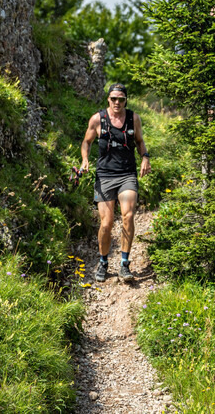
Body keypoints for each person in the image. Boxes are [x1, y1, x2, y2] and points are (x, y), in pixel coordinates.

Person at [80, 83, 151, 282]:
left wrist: (145, 157)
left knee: (128, 215)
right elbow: (86, 142)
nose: (117, 102)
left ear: (125, 100)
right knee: (107, 222)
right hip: (104, 176)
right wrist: (85, 159)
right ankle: (103, 262)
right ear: (108, 99)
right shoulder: (98, 119)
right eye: (113, 99)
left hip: (127, 174)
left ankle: (124, 264)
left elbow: (139, 141)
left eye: (121, 99)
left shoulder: (133, 118)